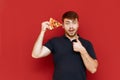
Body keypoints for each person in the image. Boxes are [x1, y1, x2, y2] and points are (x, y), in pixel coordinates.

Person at [32, 11, 98, 80]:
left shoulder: (86, 44)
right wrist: (42, 31)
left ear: (78, 24)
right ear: (63, 25)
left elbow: (93, 69)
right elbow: (36, 54)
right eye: (67, 23)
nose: (71, 27)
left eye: (74, 23)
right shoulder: (55, 42)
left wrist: (82, 50)